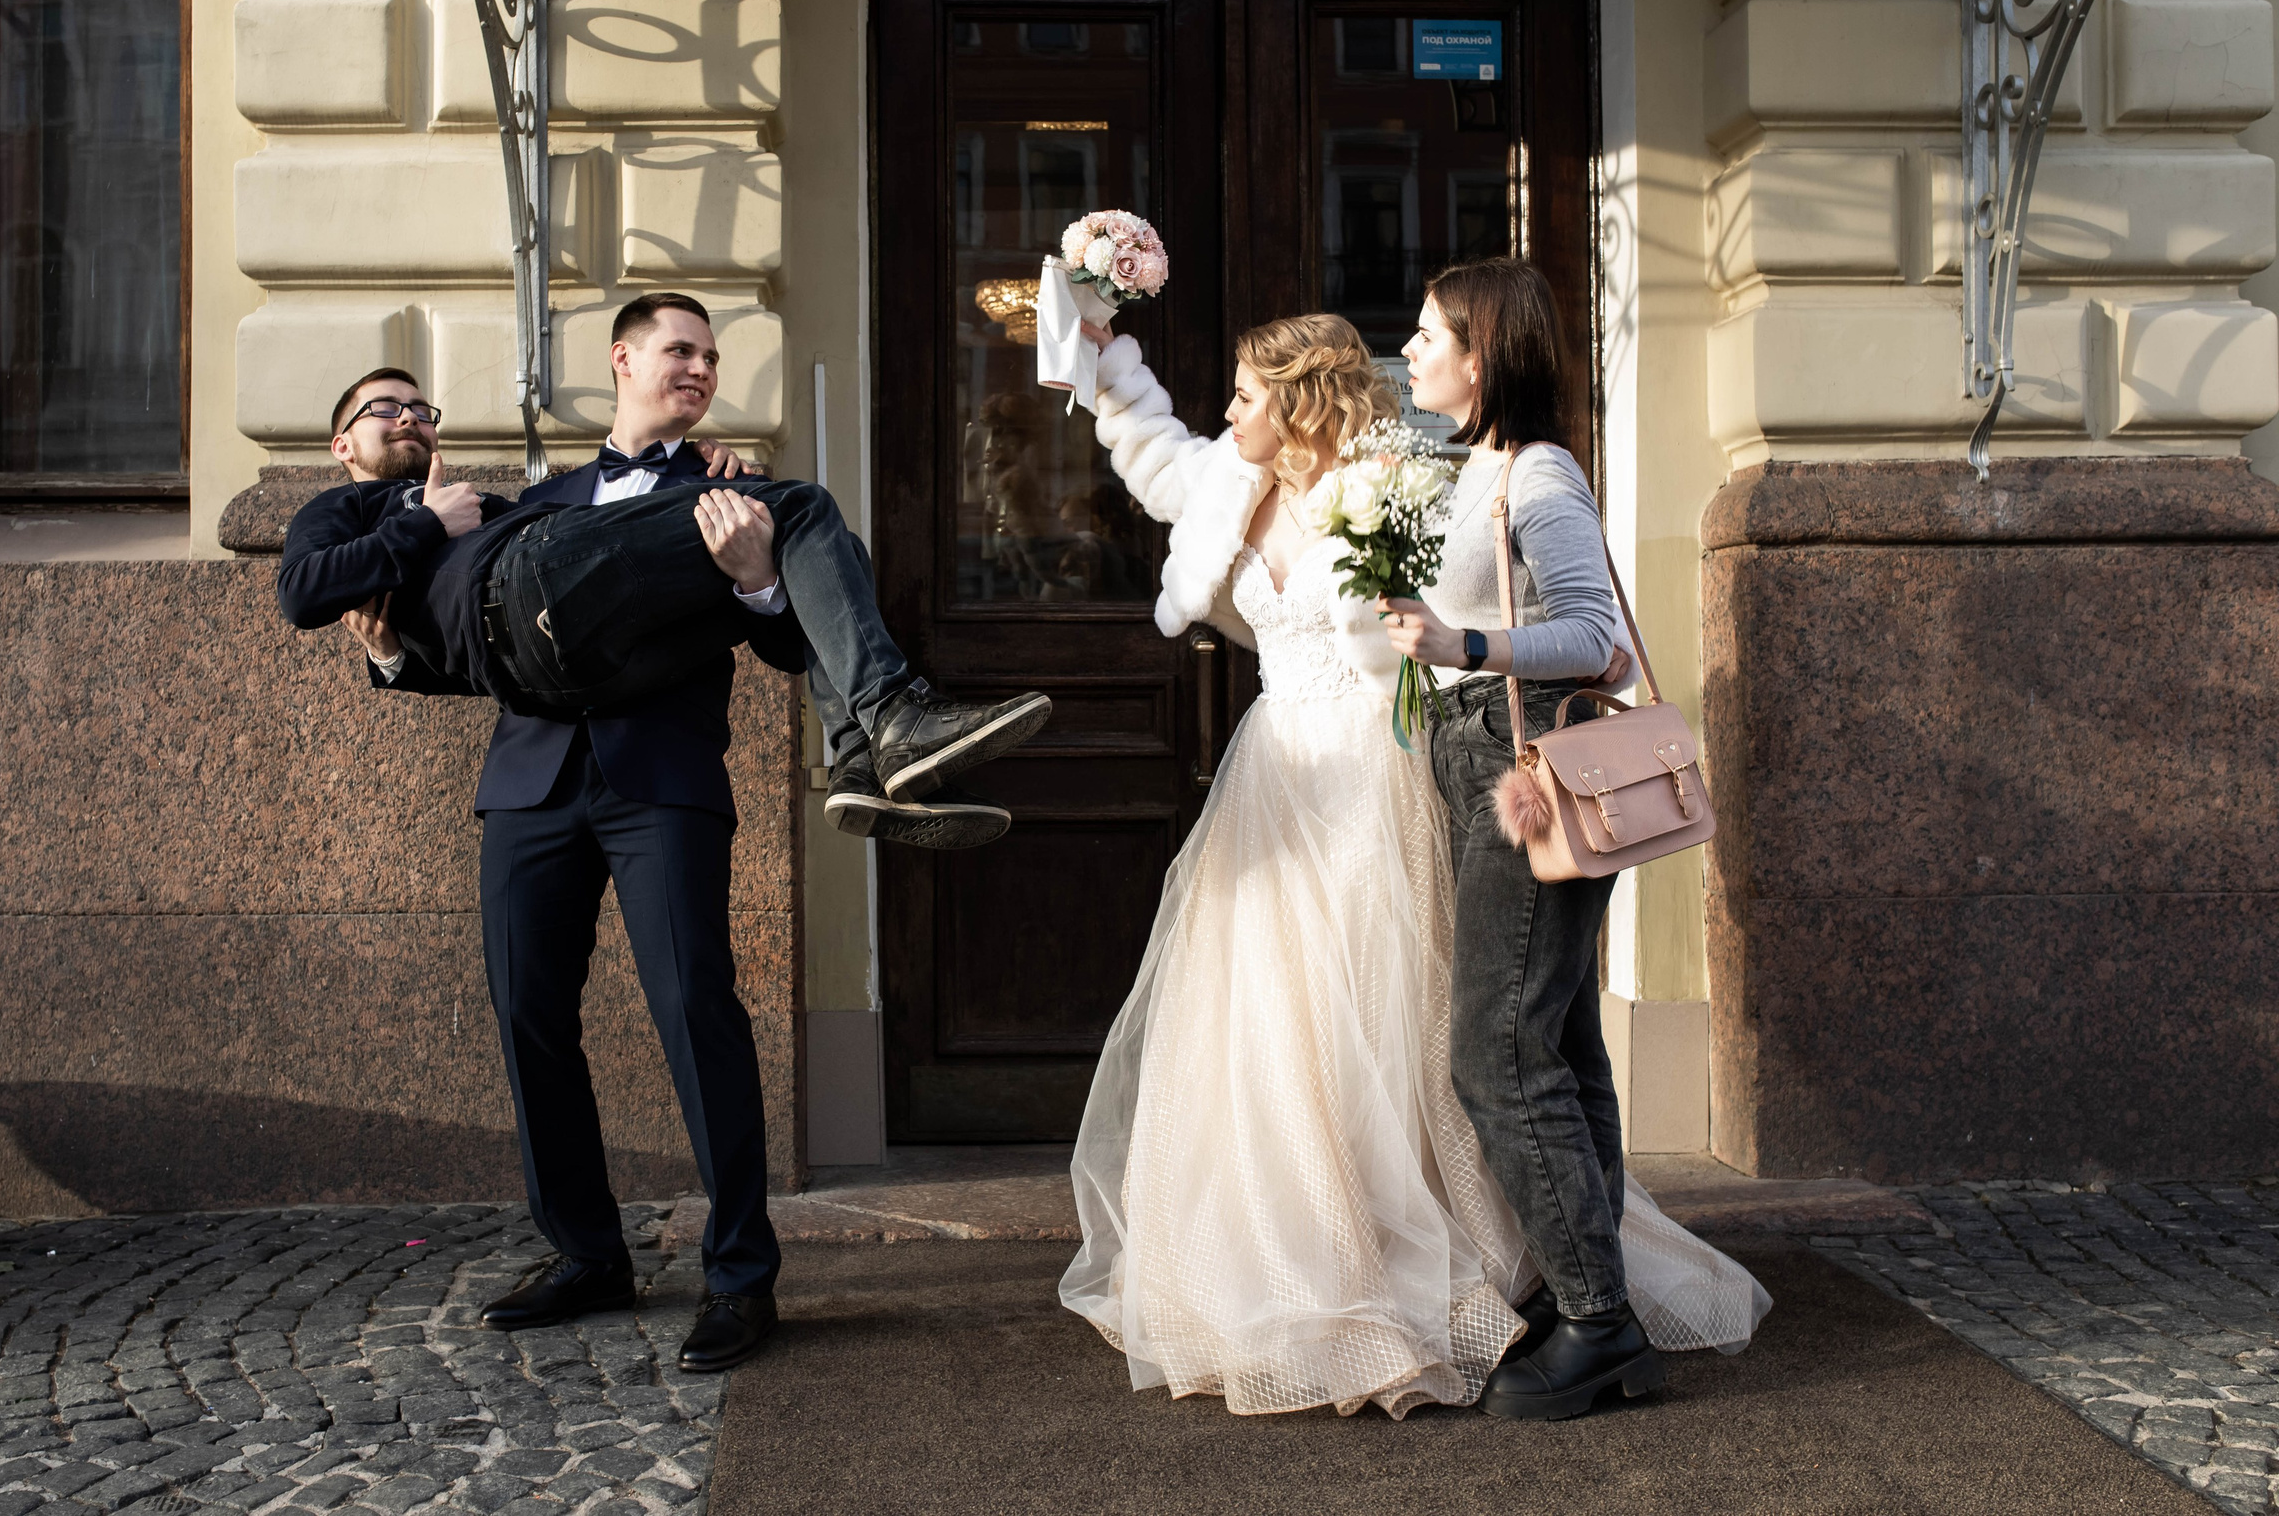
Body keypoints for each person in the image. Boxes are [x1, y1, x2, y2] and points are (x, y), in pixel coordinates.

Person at [282, 298, 1042, 1374]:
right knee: (527, 1015)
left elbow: (785, 646)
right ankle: (587, 1254)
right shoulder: (528, 503)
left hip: (661, 783)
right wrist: (397, 659)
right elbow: (489, 648)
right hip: (531, 786)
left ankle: (740, 1274)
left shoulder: (727, 490)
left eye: (711, 356)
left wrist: (757, 581)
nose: (699, 367)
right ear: (623, 360)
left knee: (699, 1014)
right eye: (679, 349)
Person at [1056, 306, 1766, 1420]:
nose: (1226, 410)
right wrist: (1101, 348)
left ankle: (1530, 1275)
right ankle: (1303, 1257)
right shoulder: (1228, 488)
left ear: (1299, 402)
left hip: (1388, 775)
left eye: (1245, 393)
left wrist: (1475, 659)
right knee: (1272, 1031)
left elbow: (1520, 607)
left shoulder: (1411, 484)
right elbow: (1147, 445)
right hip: (1275, 783)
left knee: (1422, 1025)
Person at [1374, 255, 1767, 1417]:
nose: (1408, 349)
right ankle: (1580, 1286)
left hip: (1527, 765)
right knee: (1557, 1042)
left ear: (1481, 353)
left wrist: (1465, 649)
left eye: (1427, 332)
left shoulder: (1538, 476)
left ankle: (1601, 1328)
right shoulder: (1470, 467)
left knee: (1492, 1051)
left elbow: (1596, 639)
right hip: (1473, 756)